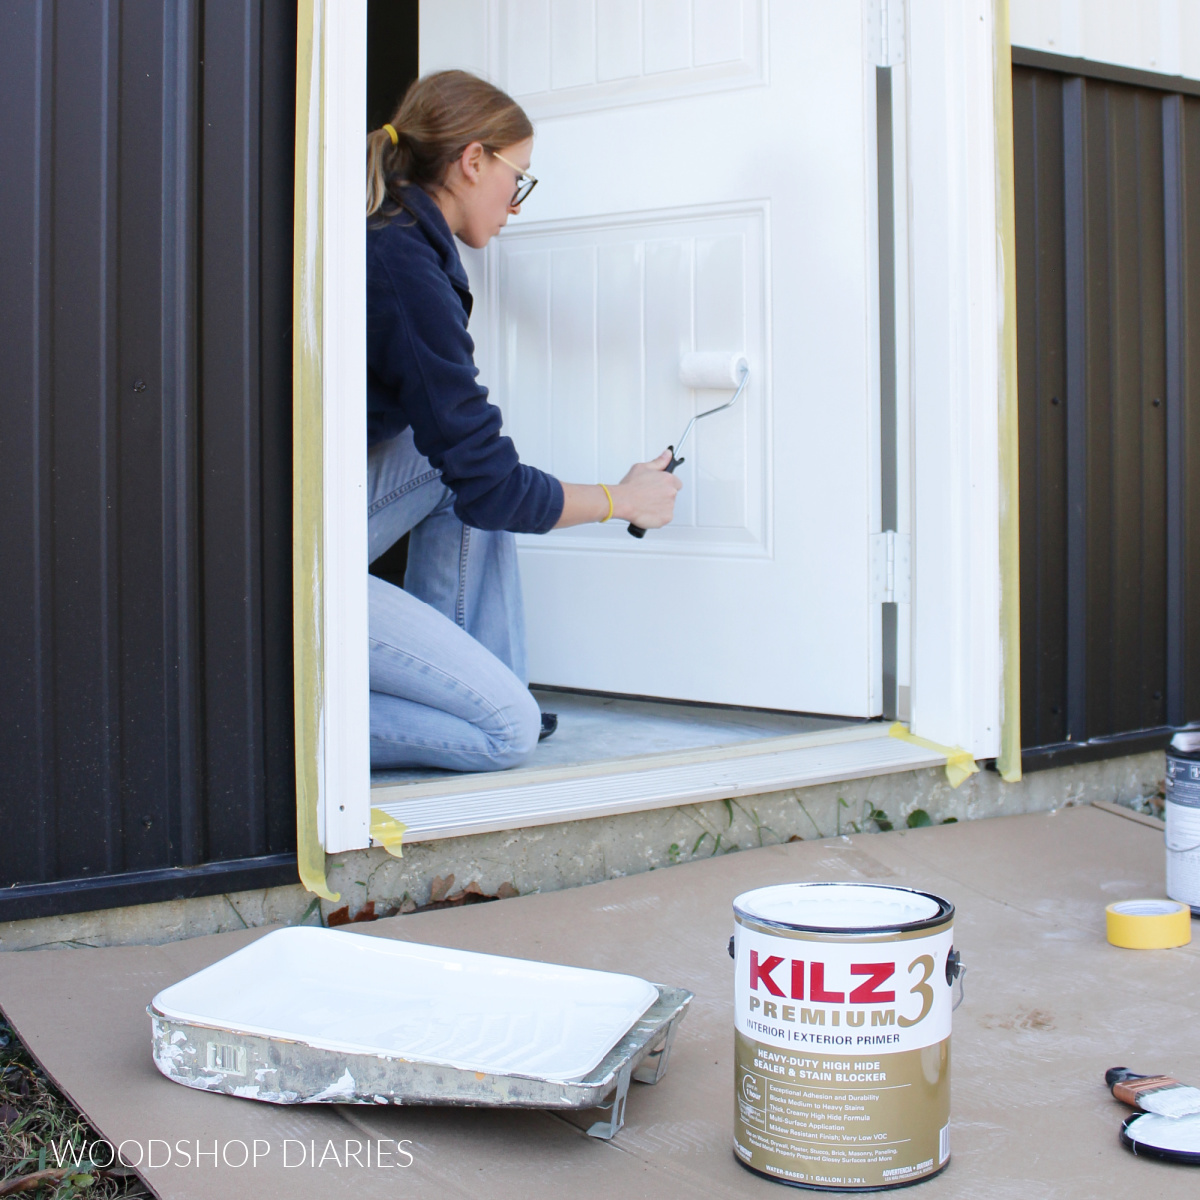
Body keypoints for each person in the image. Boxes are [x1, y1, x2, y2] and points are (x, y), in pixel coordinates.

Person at [366, 70, 681, 773]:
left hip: (309, 526)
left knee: (446, 460)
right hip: (285, 570)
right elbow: (495, 490)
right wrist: (618, 501)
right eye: (519, 178)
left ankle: (488, 687)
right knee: (500, 733)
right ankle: (275, 728)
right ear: (473, 160)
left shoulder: (399, 243)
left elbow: (472, 473)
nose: (516, 203)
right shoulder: (402, 267)